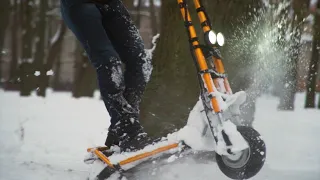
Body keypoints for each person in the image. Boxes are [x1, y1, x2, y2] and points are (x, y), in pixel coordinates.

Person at [60, 0, 157, 152]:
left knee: (139, 60)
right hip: (79, 4)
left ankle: (120, 133)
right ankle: (128, 132)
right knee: (109, 62)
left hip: (110, 3)